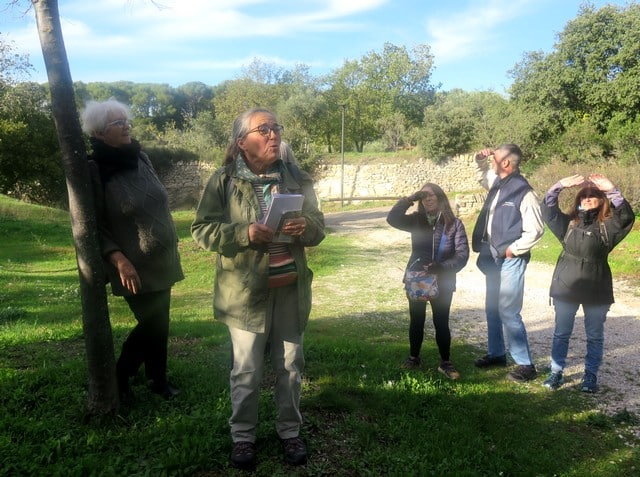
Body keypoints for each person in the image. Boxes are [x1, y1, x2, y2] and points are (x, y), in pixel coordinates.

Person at [191, 108, 325, 470]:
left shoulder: (296, 177)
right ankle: (243, 437)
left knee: (291, 366)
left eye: (275, 128)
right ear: (241, 143)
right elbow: (201, 230)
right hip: (245, 293)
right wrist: (242, 233)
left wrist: (304, 226)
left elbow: (318, 226)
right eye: (262, 129)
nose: (273, 134)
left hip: (290, 289)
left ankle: (289, 431)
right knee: (246, 370)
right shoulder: (223, 180)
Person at [81, 99, 184, 402]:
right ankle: (119, 377)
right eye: (118, 123)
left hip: (162, 257)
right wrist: (118, 259)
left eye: (126, 120)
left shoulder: (141, 157)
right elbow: (94, 225)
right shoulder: (95, 169)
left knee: (159, 322)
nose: (126, 126)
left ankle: (158, 379)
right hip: (132, 265)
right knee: (152, 323)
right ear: (100, 133)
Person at [540, 174, 634, 393]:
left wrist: (612, 188)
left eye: (594, 195)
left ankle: (590, 376)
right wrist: (559, 186)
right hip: (566, 285)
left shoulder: (609, 227)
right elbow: (548, 209)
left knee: (594, 335)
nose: (588, 198)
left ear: (602, 200)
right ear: (578, 199)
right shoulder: (568, 224)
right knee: (561, 333)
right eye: (584, 195)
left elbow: (626, 216)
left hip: (597, 286)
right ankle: (556, 372)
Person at [471, 144, 544, 382]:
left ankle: (525, 364)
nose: (492, 160)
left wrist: (514, 249)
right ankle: (496, 354)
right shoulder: (498, 183)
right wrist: (479, 158)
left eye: (496, 158)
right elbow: (483, 174)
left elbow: (535, 230)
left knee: (508, 311)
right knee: (492, 308)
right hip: (492, 257)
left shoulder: (525, 192)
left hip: (510, 258)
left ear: (506, 163)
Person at [387, 183, 469, 379]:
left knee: (441, 321)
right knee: (416, 320)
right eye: (424, 196)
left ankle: (446, 363)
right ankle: (414, 357)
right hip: (417, 279)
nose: (428, 199)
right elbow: (392, 219)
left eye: (432, 195)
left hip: (443, 279)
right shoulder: (416, 220)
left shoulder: (454, 224)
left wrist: (441, 267)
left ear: (441, 198)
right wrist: (409, 199)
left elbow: (462, 254)